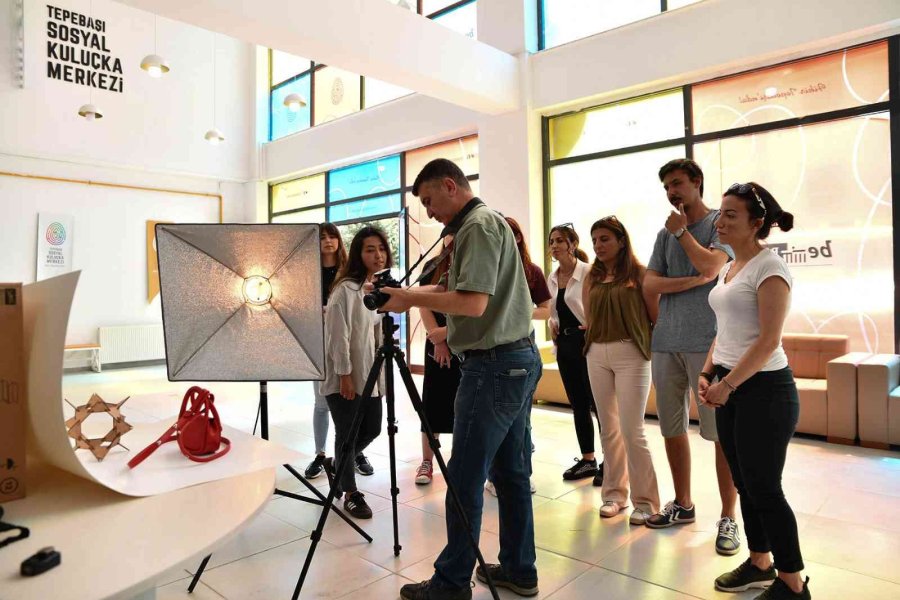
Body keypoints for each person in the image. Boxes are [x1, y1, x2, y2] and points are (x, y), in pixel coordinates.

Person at [377, 159, 541, 600]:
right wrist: (405, 295)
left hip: (492, 367)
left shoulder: (477, 228)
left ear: (451, 185)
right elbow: (457, 290)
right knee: (510, 473)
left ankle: (451, 582)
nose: (429, 213)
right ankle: (519, 569)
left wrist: (407, 298)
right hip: (513, 360)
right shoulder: (483, 225)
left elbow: (471, 303)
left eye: (430, 201)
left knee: (466, 476)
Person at [701, 183, 809, 600]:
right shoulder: (730, 267)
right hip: (730, 382)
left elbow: (767, 340)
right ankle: (760, 561)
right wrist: (708, 372)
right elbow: (724, 331)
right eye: (720, 212)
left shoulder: (771, 267)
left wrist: (727, 384)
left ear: (756, 223)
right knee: (746, 483)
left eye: (731, 214)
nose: (720, 220)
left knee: (765, 487)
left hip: (764, 389)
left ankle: (793, 583)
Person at [643, 158, 740, 556]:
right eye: (667, 185)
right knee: (670, 428)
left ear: (697, 182)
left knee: (720, 435)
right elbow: (649, 283)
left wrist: (683, 234)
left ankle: (729, 517)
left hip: (710, 344)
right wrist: (687, 283)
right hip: (665, 341)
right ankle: (683, 505)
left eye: (678, 183)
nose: (672, 192)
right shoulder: (666, 234)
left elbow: (711, 265)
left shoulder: (721, 224)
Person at [582, 216, 659, 525]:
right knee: (608, 428)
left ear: (621, 241)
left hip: (632, 354)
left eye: (605, 239)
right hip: (597, 353)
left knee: (632, 429)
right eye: (595, 240)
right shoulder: (592, 276)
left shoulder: (640, 274)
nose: (599, 245)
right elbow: (589, 317)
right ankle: (614, 495)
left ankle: (646, 501)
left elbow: (655, 317)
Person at [320, 226, 390, 520]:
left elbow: (375, 333)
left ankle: (339, 464)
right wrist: (345, 374)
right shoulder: (345, 289)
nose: (378, 255)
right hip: (346, 375)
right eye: (370, 249)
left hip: (370, 373)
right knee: (347, 433)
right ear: (359, 255)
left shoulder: (370, 288)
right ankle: (350, 492)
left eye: (381, 248)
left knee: (372, 427)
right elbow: (339, 335)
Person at [484, 216, 551, 497]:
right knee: (493, 420)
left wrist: (517, 314)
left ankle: (522, 474)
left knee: (521, 420)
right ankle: (494, 476)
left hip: (521, 348)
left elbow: (546, 309)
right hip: (490, 350)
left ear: (519, 238)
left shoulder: (530, 271)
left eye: (510, 234)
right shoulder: (487, 270)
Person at [305, 223, 374, 481]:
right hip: (318, 341)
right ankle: (321, 455)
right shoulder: (306, 271)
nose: (328, 241)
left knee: (352, 403)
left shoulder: (349, 271)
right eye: (322, 237)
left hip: (351, 342)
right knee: (322, 402)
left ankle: (353, 452)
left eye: (331, 236)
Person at [547, 223, 603, 485]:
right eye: (552, 242)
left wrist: (593, 327)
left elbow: (603, 307)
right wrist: (551, 324)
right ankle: (588, 460)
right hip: (565, 345)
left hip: (587, 342)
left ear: (572, 244)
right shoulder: (552, 277)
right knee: (578, 404)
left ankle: (610, 462)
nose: (555, 246)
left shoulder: (590, 273)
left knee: (599, 404)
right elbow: (554, 311)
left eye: (559, 240)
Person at [415, 236, 459, 485]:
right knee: (432, 401)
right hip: (436, 341)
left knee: (463, 403)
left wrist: (450, 334)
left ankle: (459, 460)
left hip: (466, 342)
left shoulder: (472, 264)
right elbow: (423, 303)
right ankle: (427, 461)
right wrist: (439, 341)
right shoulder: (432, 265)